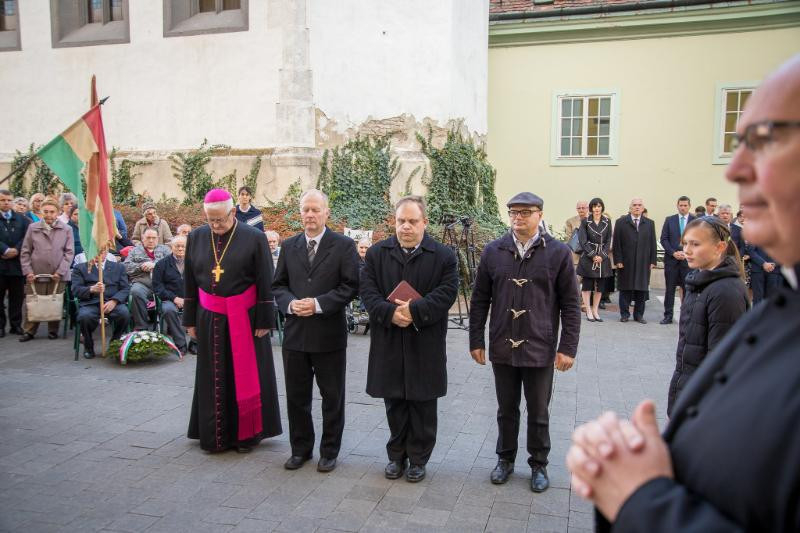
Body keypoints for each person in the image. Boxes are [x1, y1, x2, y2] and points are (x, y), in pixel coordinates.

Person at [566, 54, 800, 533]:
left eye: (765, 140)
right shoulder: (778, 310)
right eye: (739, 143)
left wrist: (641, 498)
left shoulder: (733, 294)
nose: (736, 169)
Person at [469, 192, 580, 492]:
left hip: (539, 345)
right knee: (506, 409)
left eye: (525, 212)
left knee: (539, 411)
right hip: (502, 343)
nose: (518, 218)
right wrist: (476, 339)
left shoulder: (558, 253)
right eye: (513, 212)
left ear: (539, 214)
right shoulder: (493, 251)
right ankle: (504, 459)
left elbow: (571, 304)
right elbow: (480, 299)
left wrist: (567, 347)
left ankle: (538, 464)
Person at [361, 195, 458, 483]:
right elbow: (367, 291)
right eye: (401, 220)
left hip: (424, 340)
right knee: (394, 402)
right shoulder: (377, 253)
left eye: (412, 221)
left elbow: (447, 292)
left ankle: (418, 459)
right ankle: (396, 456)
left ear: (424, 222)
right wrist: (390, 313)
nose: (405, 226)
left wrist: (414, 311)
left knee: (422, 403)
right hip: (389, 339)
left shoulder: (443, 256)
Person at [183, 189, 282, 453]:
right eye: (211, 220)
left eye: (220, 219)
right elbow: (189, 281)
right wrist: (189, 319)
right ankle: (214, 435)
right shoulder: (196, 237)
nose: (215, 225)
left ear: (233, 212)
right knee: (213, 377)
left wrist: (265, 320)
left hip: (246, 318)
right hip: (209, 317)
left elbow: (266, 280)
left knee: (244, 377)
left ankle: (245, 436)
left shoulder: (255, 237)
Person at [272, 189, 359, 472]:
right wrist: (290, 303)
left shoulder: (344, 246)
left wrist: (319, 304)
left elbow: (350, 286)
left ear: (326, 213)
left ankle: (329, 451)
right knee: (297, 397)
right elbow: (278, 285)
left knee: (332, 397)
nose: (310, 215)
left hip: (328, 335)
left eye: (315, 210)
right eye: (305, 210)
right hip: (295, 335)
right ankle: (300, 450)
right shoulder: (289, 246)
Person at [666, 216, 747, 415]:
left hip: (704, 404)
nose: (687, 250)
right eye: (685, 243)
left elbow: (722, 361)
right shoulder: (698, 281)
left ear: (719, 247)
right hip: (687, 390)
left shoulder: (725, 292)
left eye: (695, 244)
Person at [19, 199, 74, 342]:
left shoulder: (66, 229)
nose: (49, 215)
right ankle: (29, 330)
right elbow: (25, 251)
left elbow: (69, 253)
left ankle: (53, 330)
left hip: (57, 274)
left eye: (52, 212)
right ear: (41, 212)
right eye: (46, 211)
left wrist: (60, 271)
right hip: (35, 273)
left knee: (54, 301)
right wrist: (28, 271)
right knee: (33, 301)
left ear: (58, 212)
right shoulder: (33, 228)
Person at [71, 250, 130, 359]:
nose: (99, 254)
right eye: (96, 251)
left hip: (112, 302)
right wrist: (91, 289)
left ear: (106, 252)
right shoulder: (80, 268)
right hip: (90, 303)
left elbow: (125, 288)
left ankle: (115, 342)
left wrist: (114, 301)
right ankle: (88, 346)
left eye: (102, 251)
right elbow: (75, 290)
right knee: (84, 316)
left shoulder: (118, 267)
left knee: (124, 314)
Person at [613, 198, 657, 324]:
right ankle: (624, 314)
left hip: (643, 262)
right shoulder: (621, 222)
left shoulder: (649, 223)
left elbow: (653, 243)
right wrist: (618, 260)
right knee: (625, 288)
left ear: (643, 208)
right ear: (630, 207)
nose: (637, 207)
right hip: (626, 261)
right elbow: (617, 243)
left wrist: (653, 260)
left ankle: (639, 315)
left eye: (639, 205)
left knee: (642, 289)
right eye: (634, 205)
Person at [124, 228, 171, 330]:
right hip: (142, 283)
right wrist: (141, 266)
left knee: (173, 290)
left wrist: (155, 265)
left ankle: (170, 326)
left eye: (154, 238)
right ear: (142, 238)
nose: (151, 240)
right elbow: (126, 267)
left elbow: (172, 266)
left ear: (158, 238)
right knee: (136, 292)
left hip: (162, 283)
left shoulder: (165, 250)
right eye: (148, 238)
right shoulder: (134, 251)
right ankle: (141, 327)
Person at [658, 196, 695, 325]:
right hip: (672, 261)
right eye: (681, 205)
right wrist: (673, 253)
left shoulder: (695, 221)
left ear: (689, 206)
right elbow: (664, 239)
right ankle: (668, 316)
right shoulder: (670, 220)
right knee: (670, 290)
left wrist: (687, 252)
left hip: (688, 261)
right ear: (677, 206)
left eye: (685, 205)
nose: (683, 207)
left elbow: (698, 240)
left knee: (688, 290)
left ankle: (687, 316)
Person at [0, 189, 30, 338]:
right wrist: (4, 249)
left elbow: (27, 237)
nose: (6, 203)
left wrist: (17, 249)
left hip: (17, 265)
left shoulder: (22, 219)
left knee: (17, 297)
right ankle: (0, 326)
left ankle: (16, 325)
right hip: (1, 264)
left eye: (8, 200)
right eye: (2, 200)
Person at [577, 197, 612, 322]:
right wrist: (593, 255)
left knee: (600, 287)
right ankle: (588, 310)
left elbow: (608, 240)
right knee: (587, 285)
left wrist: (602, 255)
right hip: (589, 257)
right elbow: (582, 240)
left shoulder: (607, 221)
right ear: (591, 208)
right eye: (594, 206)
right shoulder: (585, 221)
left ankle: (595, 310)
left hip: (602, 258)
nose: (597, 208)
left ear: (602, 208)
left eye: (599, 206)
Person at [152, 235, 188, 354]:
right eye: (177, 246)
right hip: (169, 298)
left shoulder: (194, 263)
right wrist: (174, 298)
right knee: (169, 310)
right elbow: (158, 287)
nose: (180, 249)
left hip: (190, 298)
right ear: (171, 247)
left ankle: (195, 342)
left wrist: (189, 299)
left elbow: (200, 283)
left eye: (183, 246)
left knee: (204, 309)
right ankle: (181, 344)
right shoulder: (161, 264)